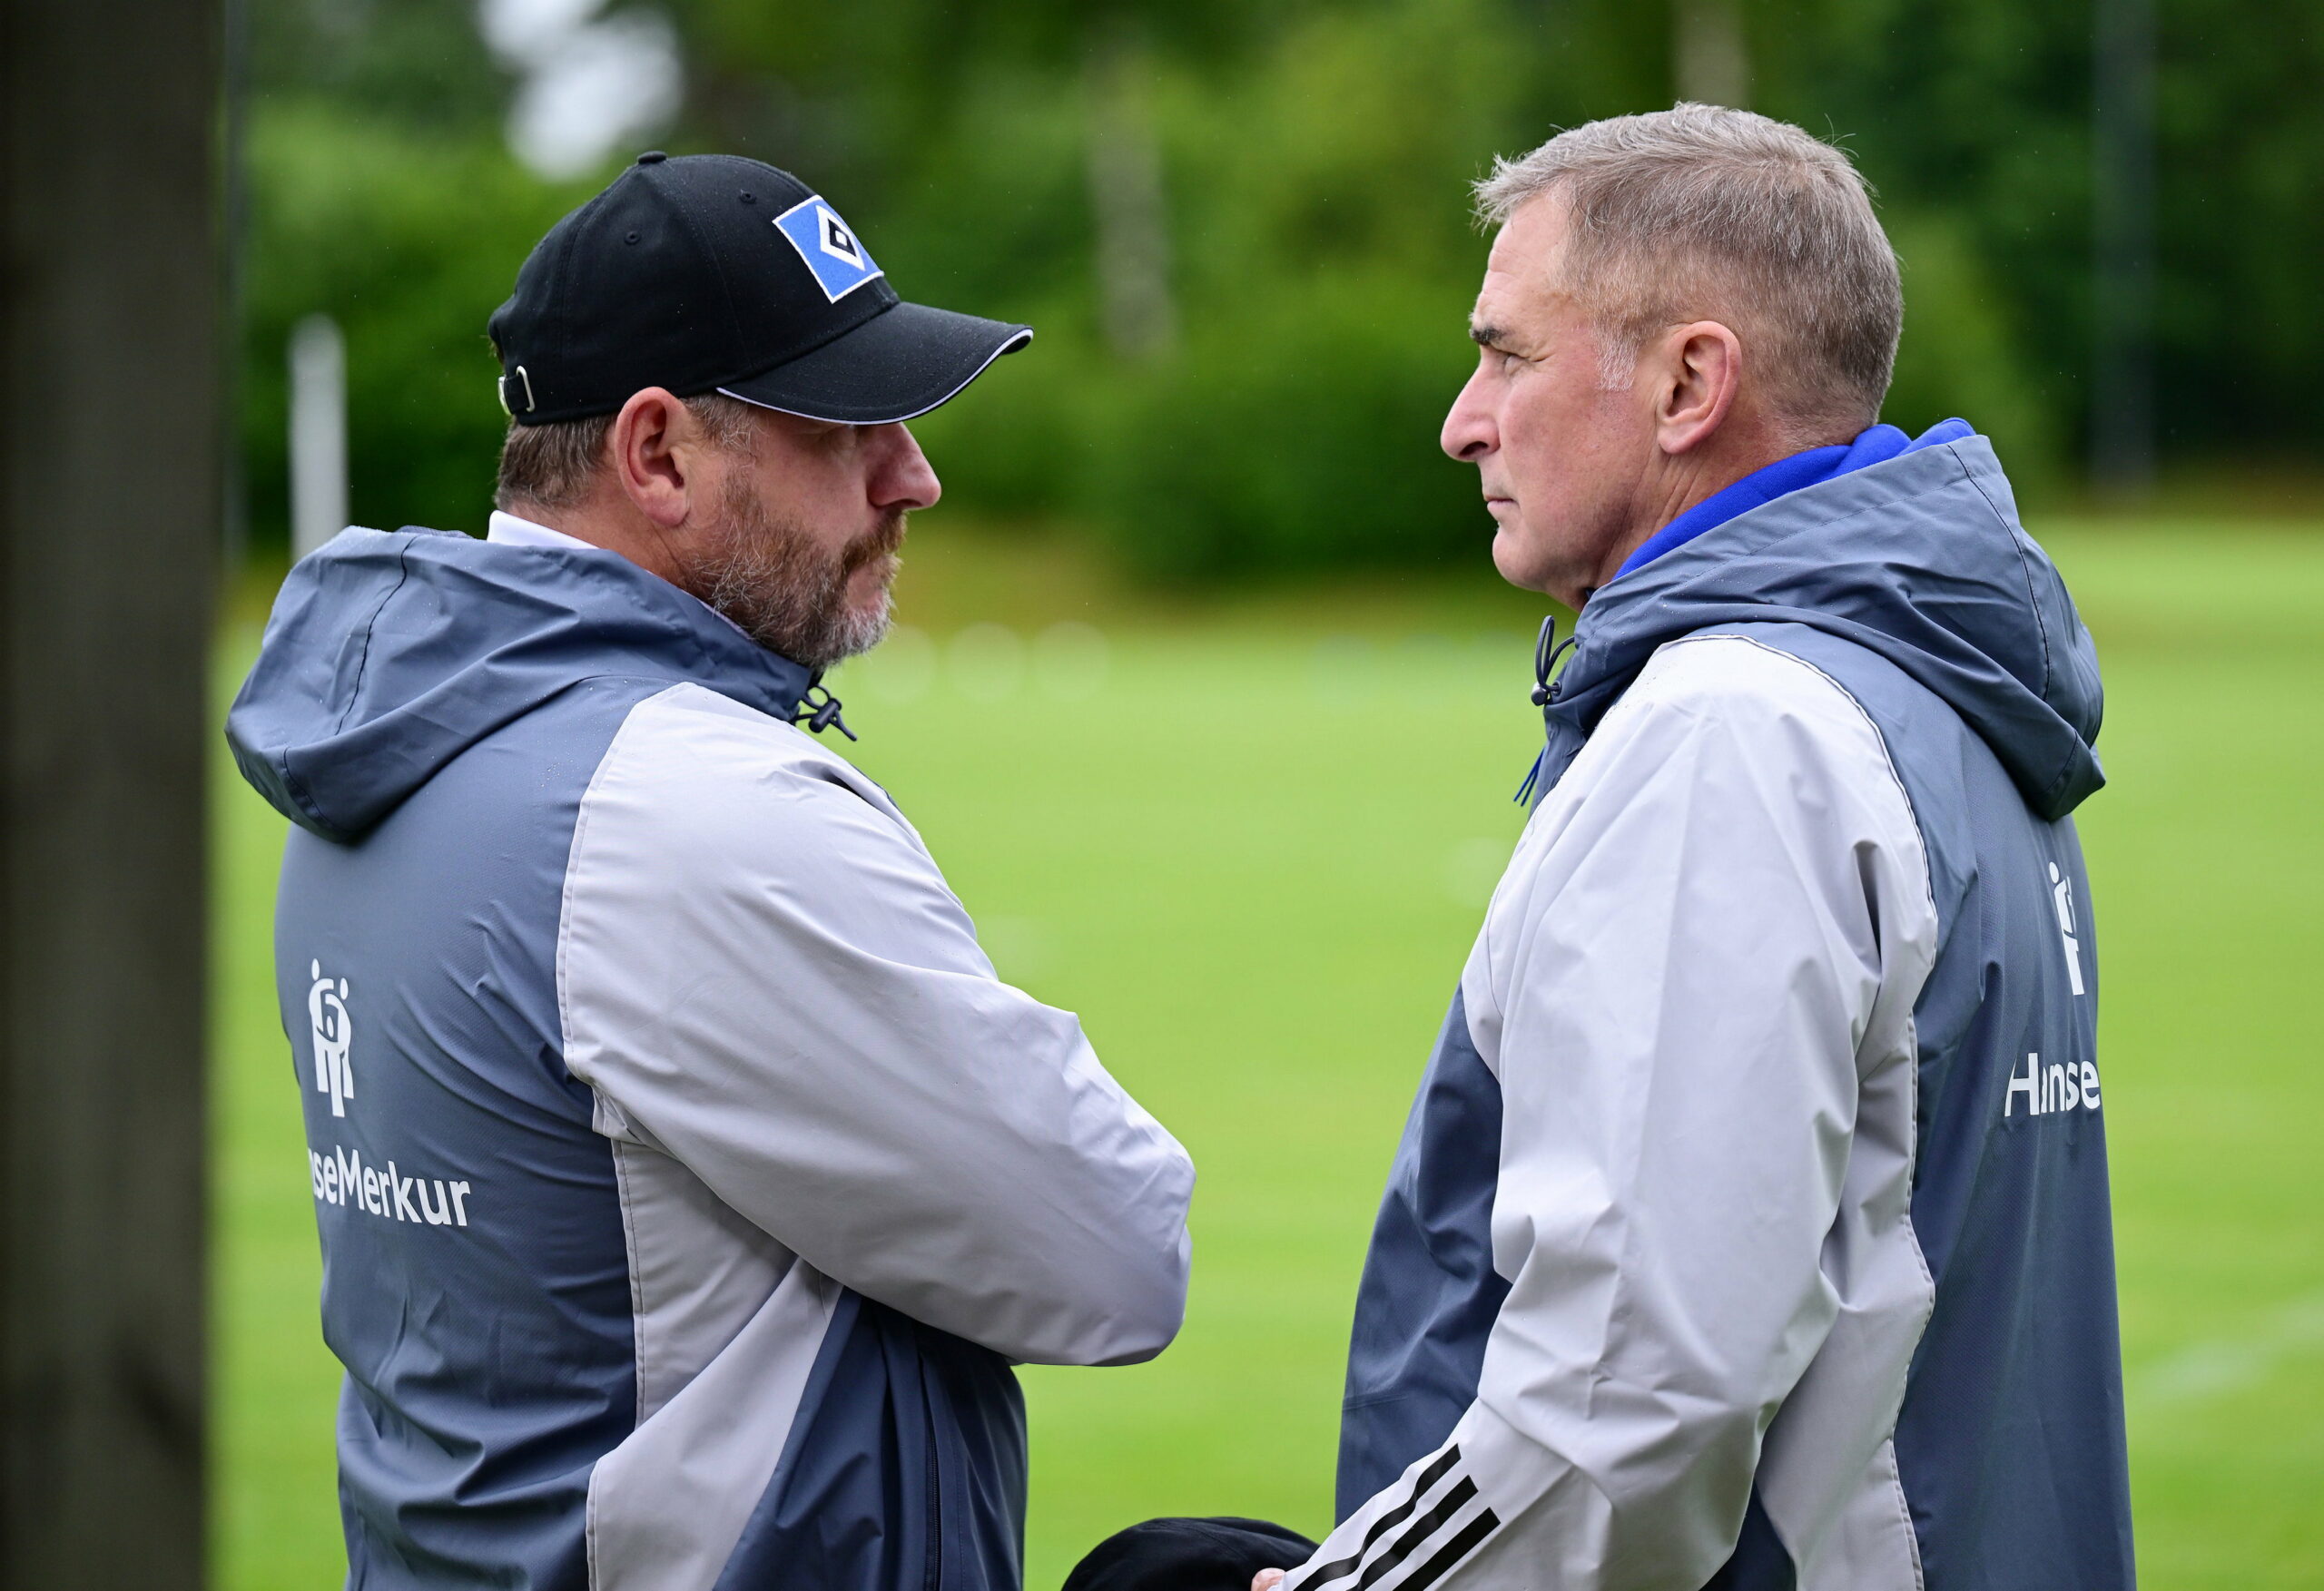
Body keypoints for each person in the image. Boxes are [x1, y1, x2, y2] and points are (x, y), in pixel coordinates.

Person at [227, 152, 1195, 1591]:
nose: (913, 473)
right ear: (659, 450)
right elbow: (1114, 1250)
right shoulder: (688, 800)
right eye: (849, 422)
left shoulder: (387, 747)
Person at [1259, 105, 2132, 1591]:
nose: (1464, 419)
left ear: (1687, 383)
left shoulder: (1741, 728)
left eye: (1508, 354)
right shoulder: (1936, 687)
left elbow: (1629, 1396)